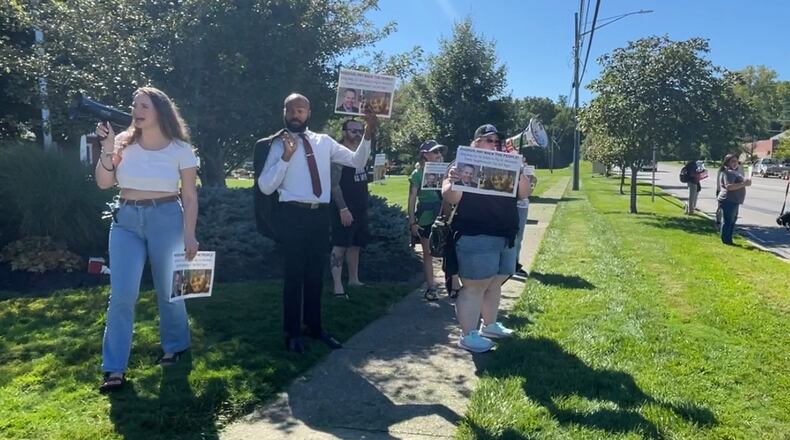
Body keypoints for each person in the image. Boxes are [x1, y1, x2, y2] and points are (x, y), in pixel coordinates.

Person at [94, 86, 199, 392]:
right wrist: (107, 148)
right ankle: (114, 367)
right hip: (126, 220)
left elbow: (190, 196)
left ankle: (175, 345)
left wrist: (189, 234)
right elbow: (103, 183)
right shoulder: (123, 143)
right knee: (122, 296)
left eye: (144, 106)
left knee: (170, 290)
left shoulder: (181, 148)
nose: (136, 111)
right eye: (134, 105)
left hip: (166, 217)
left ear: (160, 111)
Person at [257, 93, 378, 354]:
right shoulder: (278, 145)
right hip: (292, 216)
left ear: (309, 113)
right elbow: (266, 187)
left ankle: (314, 326)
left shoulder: (324, 142)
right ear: (284, 112)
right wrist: (286, 157)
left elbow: (357, 161)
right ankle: (291, 332)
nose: (295, 115)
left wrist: (368, 132)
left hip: (319, 217)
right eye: (290, 110)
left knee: (315, 275)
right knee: (294, 276)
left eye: (300, 110)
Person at [442, 124, 532, 353]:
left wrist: (520, 170)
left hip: (505, 234)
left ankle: (489, 325)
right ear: (476, 144)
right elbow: (451, 197)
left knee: (495, 282)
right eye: (489, 140)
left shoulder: (509, 163)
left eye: (497, 141)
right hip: (476, 235)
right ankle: (468, 335)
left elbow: (523, 193)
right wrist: (453, 180)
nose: (495, 144)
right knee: (474, 286)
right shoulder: (460, 164)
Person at [329, 119, 369, 298]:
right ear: (344, 131)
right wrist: (343, 209)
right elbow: (334, 184)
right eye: (353, 131)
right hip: (344, 208)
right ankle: (337, 285)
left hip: (360, 207)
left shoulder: (361, 152)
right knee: (340, 245)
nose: (357, 134)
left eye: (360, 131)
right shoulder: (338, 153)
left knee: (355, 245)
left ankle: (354, 279)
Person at [408, 140, 447, 301]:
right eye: (434, 152)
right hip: (425, 216)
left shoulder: (446, 171)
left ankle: (453, 284)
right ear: (425, 154)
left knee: (448, 250)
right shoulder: (417, 174)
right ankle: (431, 287)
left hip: (443, 213)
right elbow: (411, 199)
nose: (438, 155)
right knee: (428, 253)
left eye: (439, 152)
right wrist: (412, 222)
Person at [717, 153, 751, 245]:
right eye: (732, 161)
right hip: (728, 200)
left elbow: (740, 183)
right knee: (728, 222)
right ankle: (726, 241)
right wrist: (744, 184)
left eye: (736, 161)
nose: (735, 163)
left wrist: (746, 182)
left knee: (732, 222)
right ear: (727, 162)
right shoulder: (728, 172)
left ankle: (729, 240)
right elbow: (729, 187)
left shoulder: (734, 172)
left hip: (734, 200)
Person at [514, 158, 537, 277]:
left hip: (522, 205)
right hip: (508, 204)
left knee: (519, 236)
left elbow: (532, 187)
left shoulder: (526, 167)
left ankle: (514, 264)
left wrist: (531, 179)